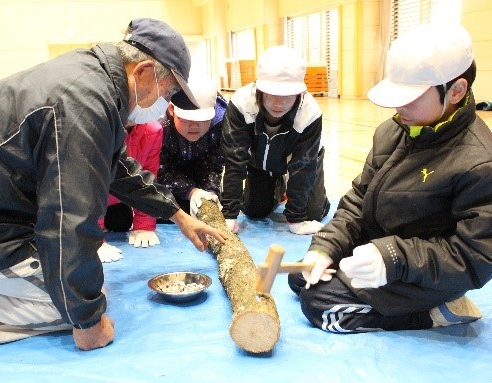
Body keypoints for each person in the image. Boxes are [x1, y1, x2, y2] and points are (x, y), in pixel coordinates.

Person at [0, 18, 226, 365]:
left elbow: (116, 165)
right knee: (79, 298)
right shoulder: (86, 104)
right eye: (167, 92)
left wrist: (177, 214)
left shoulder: (92, 81)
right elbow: (68, 218)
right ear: (142, 72)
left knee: (80, 283)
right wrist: (87, 322)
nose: (163, 102)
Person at [288, 23, 492, 333]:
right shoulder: (393, 130)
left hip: (424, 273)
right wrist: (326, 247)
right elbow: (357, 199)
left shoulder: (479, 162)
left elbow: (474, 257)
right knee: (303, 274)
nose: (399, 108)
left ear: (456, 91)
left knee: (317, 302)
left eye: (411, 99)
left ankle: (436, 312)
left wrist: (393, 258)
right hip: (383, 247)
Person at [221, 45, 330, 234]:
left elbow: (303, 166)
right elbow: (235, 159)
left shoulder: (310, 113)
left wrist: (296, 219)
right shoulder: (241, 104)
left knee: (312, 213)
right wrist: (229, 214)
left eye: (287, 96)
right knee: (254, 211)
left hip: (301, 161)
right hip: (260, 162)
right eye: (271, 94)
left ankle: (317, 194)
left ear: (300, 93)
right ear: (259, 88)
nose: (279, 104)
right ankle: (278, 186)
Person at [157, 78, 227, 218]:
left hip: (202, 168)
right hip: (169, 178)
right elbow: (162, 171)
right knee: (168, 211)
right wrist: (191, 191)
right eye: (187, 119)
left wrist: (211, 192)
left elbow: (214, 166)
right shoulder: (159, 126)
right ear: (172, 110)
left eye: (201, 120)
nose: (194, 126)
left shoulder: (221, 123)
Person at [97, 120, 163, 263]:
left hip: (118, 197)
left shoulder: (153, 130)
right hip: (83, 198)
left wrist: (144, 225)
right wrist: (92, 238)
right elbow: (85, 182)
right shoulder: (96, 125)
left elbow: (149, 175)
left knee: (121, 221)